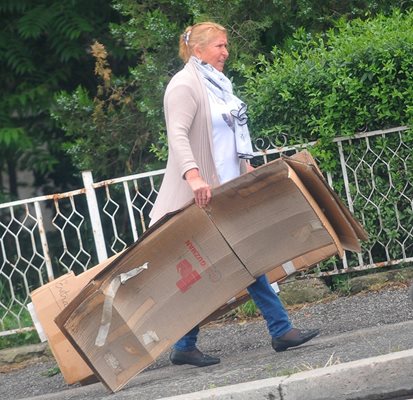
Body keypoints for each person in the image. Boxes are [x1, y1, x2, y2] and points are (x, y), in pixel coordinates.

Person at [149, 21, 319, 367]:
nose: (226, 53)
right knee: (226, 264)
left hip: (225, 190)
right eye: (219, 47)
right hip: (199, 194)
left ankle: (272, 331)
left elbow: (228, 137)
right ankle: (272, 331)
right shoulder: (183, 85)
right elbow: (178, 136)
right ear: (198, 50)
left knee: (244, 258)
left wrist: (244, 170)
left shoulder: (218, 85)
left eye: (226, 46)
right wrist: (194, 177)